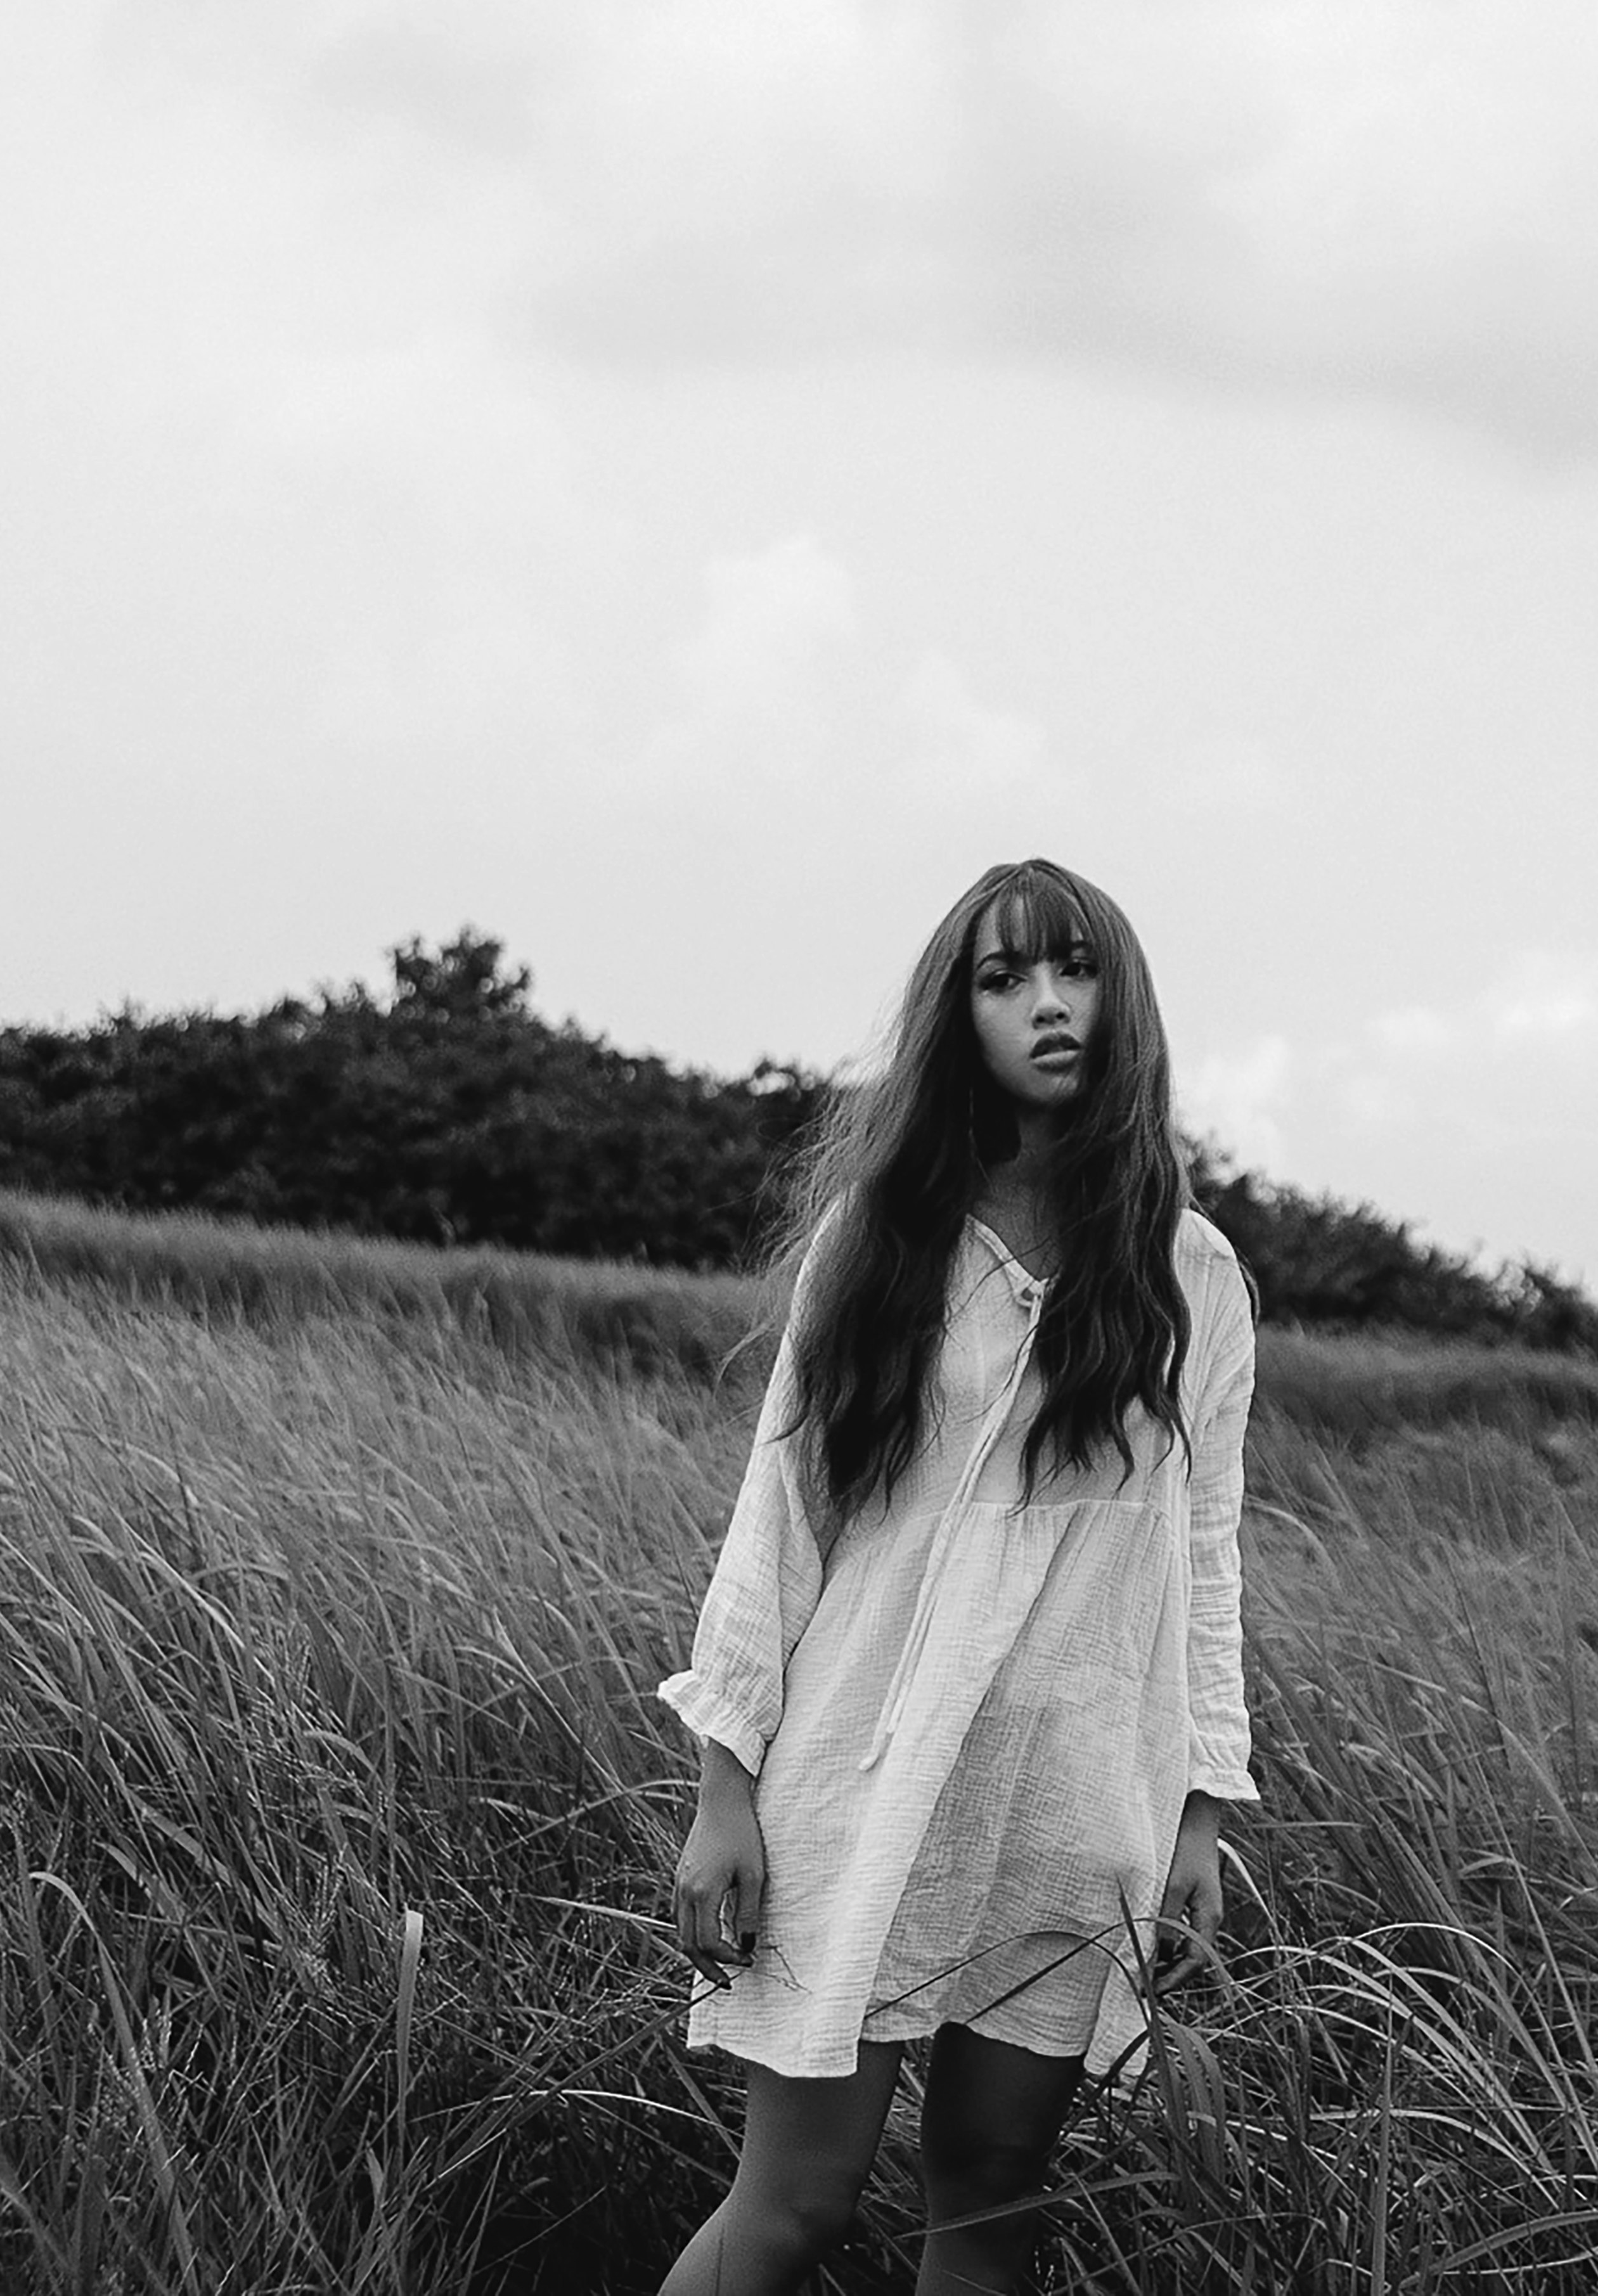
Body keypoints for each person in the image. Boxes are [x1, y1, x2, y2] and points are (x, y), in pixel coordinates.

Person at [652, 857, 1261, 2295]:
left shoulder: (1196, 1277)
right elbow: (778, 1519)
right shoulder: (881, 1246)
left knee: (988, 2202)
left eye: (1074, 968)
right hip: (856, 1780)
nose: (1046, 1004)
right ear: (958, 1016)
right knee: (790, 2207)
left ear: (1121, 996)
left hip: (1071, 1796)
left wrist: (1195, 1811)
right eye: (1003, 979)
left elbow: (1206, 1555)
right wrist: (722, 1785)